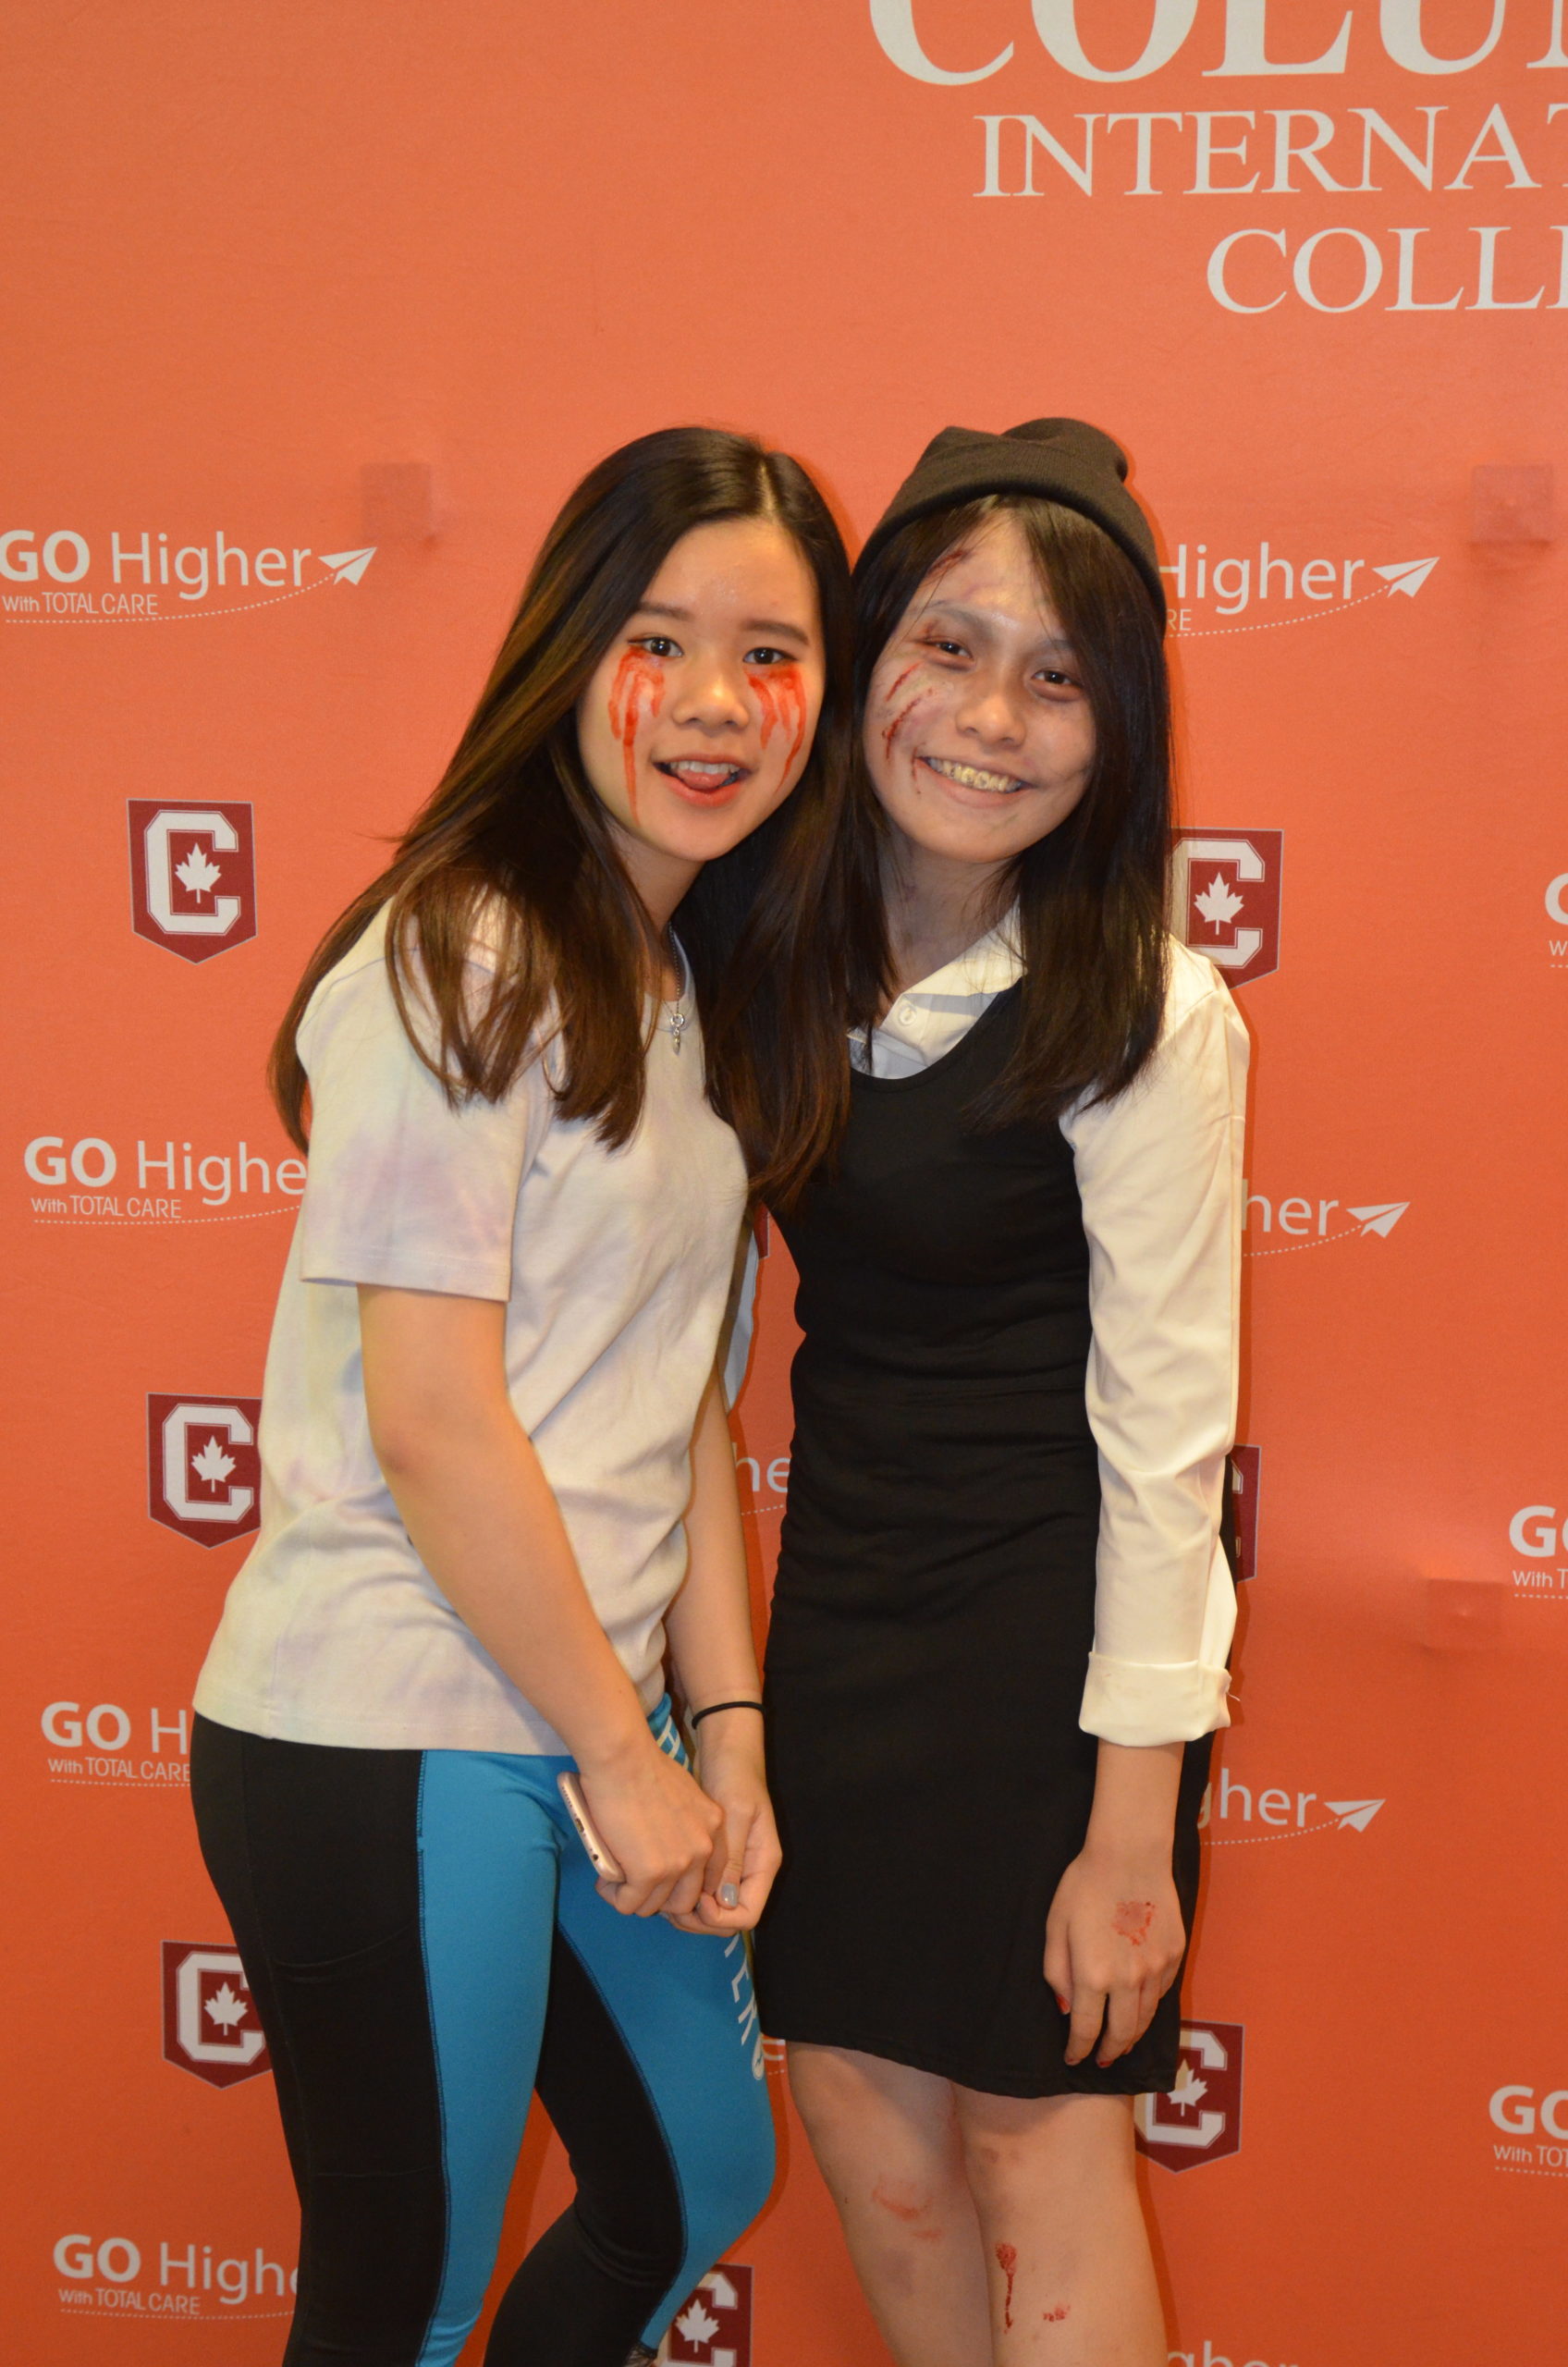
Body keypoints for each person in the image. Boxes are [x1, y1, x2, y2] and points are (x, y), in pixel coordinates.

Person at [189, 425, 860, 2367]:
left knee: (692, 2180)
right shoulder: (461, 947)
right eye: (660, 641)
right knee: (403, 2294)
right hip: (398, 1721)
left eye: (771, 652)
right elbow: (431, 1417)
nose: (717, 701)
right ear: (569, 654)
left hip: (590, 1718)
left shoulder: (684, 986)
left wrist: (721, 1735)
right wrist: (622, 1756)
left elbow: (681, 1421)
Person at [753, 419, 1248, 2366]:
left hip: (1046, 1645)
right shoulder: (757, 957)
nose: (988, 718)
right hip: (840, 1605)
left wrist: (1130, 1832)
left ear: (1116, 732)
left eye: (1057, 679)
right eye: (946, 648)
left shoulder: (1146, 1008)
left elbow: (1167, 1437)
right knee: (857, 2105)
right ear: (862, 655)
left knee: (1039, 2135)